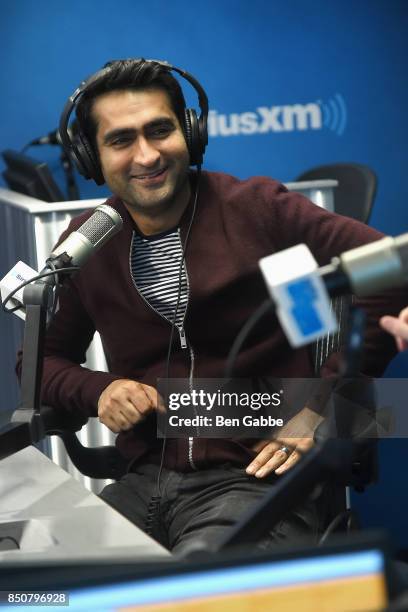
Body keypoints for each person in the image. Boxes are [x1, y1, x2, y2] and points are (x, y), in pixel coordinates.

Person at [16, 59, 405, 556]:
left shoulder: (258, 209)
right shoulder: (90, 242)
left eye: (161, 130)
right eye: (121, 140)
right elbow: (38, 361)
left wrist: (322, 408)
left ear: (191, 133)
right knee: (44, 586)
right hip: (142, 482)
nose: (147, 155)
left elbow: (394, 269)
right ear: (93, 157)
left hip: (253, 478)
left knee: (192, 593)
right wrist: (99, 389)